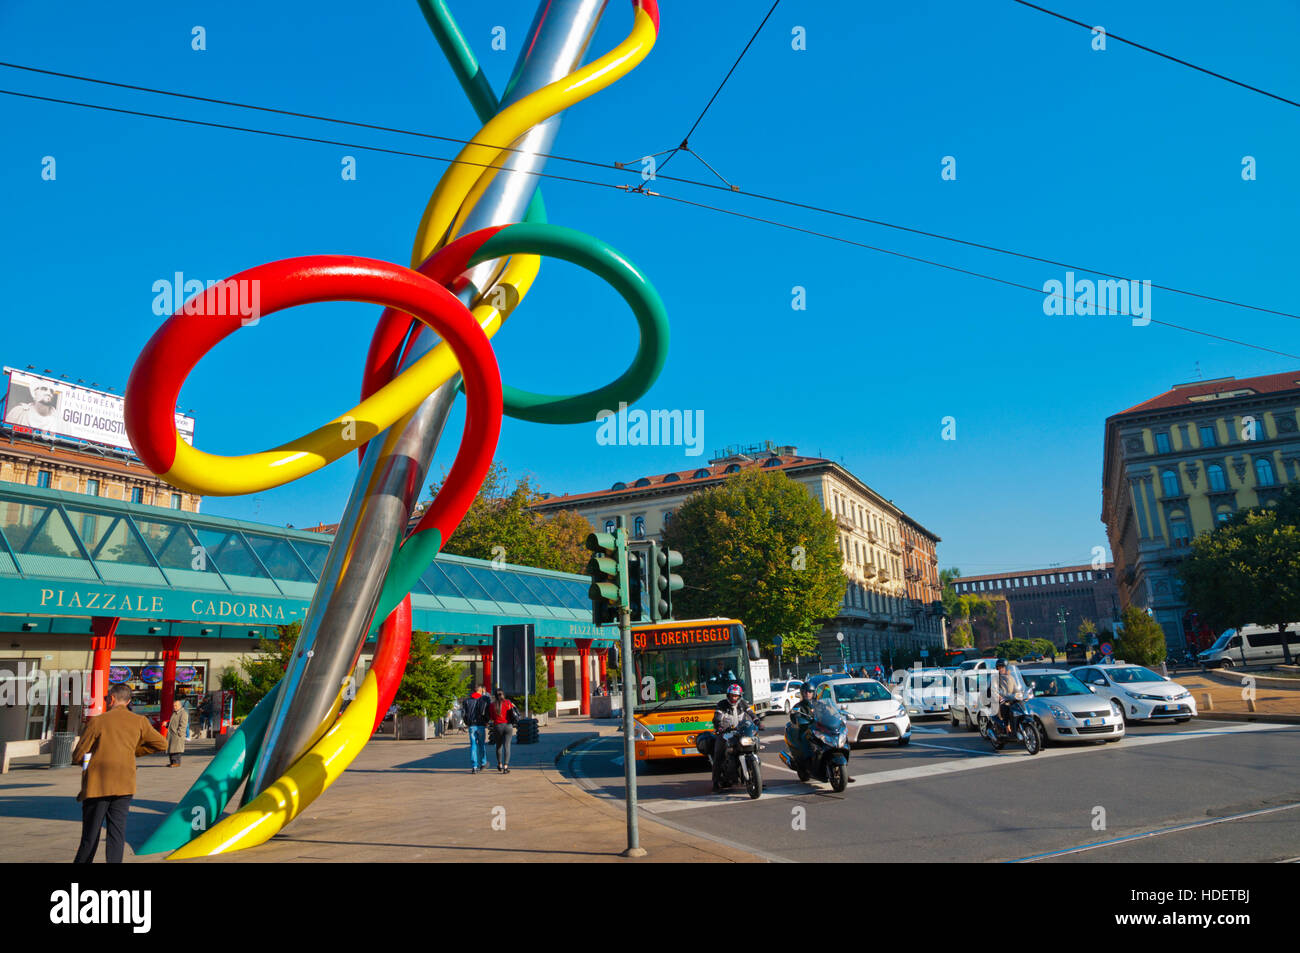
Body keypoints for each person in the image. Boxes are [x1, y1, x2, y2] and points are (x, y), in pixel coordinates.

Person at [71, 683, 166, 863]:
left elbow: (79, 755)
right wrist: (134, 751)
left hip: (97, 785)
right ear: (128, 701)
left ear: (112, 699)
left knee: (90, 835)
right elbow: (161, 744)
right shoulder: (139, 721)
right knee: (117, 833)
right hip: (124, 784)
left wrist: (88, 758)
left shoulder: (98, 721)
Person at [710, 683, 758, 791]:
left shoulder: (743, 703)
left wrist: (757, 722)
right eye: (732, 695)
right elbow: (717, 717)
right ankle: (716, 782)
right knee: (719, 755)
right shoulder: (722, 704)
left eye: (736, 696)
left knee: (753, 748)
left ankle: (756, 778)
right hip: (725, 733)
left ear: (739, 696)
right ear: (728, 695)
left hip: (740, 732)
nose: (734, 698)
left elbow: (751, 713)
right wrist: (719, 727)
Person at [462, 684, 491, 774]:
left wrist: (467, 723)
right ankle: (483, 762)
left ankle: (474, 766)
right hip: (481, 725)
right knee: (482, 745)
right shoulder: (484, 700)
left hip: (471, 726)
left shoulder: (467, 701)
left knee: (473, 746)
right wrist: (486, 721)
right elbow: (487, 712)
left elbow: (463, 714)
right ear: (480, 691)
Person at [489, 689, 519, 773]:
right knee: (507, 746)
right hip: (508, 726)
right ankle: (506, 767)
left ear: (495, 696)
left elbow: (491, 718)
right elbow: (514, 712)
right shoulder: (508, 703)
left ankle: (499, 764)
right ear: (503, 695)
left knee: (498, 746)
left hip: (497, 726)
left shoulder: (492, 705)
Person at [992, 660, 1018, 737]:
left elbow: (1016, 689)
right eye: (999, 668)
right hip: (1001, 701)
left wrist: (1021, 695)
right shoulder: (995, 678)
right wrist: (999, 697)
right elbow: (994, 690)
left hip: (1011, 699)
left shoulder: (1011, 678)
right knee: (1005, 708)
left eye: (1002, 667)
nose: (1001, 669)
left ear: (1006, 668)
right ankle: (1007, 727)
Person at [166, 699, 188, 766]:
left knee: (176, 749)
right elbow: (173, 722)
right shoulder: (174, 713)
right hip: (171, 734)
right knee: (171, 749)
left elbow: (183, 724)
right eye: (173, 705)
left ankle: (176, 763)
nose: (174, 707)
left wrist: (180, 733)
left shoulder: (183, 713)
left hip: (177, 734)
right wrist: (167, 724)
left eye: (176, 705)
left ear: (180, 706)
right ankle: (172, 762)